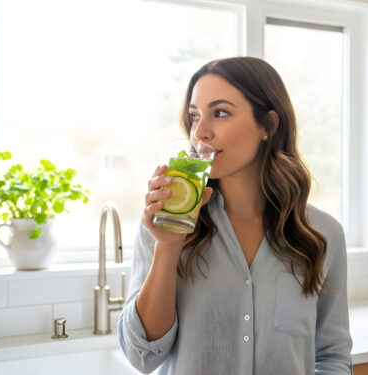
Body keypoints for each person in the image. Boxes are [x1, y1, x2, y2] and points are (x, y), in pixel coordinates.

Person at [118, 56, 353, 374]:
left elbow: (332, 357)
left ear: (268, 125)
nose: (200, 132)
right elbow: (142, 355)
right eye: (194, 116)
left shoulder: (323, 235)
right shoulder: (165, 223)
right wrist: (168, 247)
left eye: (220, 113)